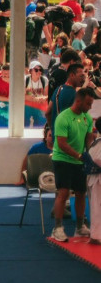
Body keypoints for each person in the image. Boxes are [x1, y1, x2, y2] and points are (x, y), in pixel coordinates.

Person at [50, 88, 97, 242]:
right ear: (79, 101)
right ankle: (57, 228)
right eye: (88, 103)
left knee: (81, 193)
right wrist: (79, 155)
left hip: (79, 160)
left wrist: (91, 154)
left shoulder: (87, 118)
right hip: (63, 159)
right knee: (63, 193)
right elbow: (61, 144)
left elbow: (89, 139)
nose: (90, 107)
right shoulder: (63, 118)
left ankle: (80, 226)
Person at [86, 117, 101, 245]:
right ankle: (96, 236)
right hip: (97, 179)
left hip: (95, 179)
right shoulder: (98, 144)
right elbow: (97, 160)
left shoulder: (95, 143)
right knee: (97, 207)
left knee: (97, 206)